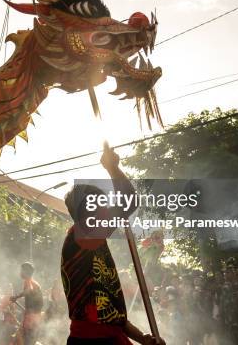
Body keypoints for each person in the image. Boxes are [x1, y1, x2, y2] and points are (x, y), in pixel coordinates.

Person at [60, 143, 165, 345]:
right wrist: (112, 169)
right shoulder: (80, 239)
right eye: (101, 204)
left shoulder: (94, 242)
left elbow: (115, 318)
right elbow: (129, 202)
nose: (109, 210)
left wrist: (144, 339)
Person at [10, 262, 44, 345]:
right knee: (27, 339)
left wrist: (16, 297)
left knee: (24, 340)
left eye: (21, 270)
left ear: (25, 271)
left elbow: (29, 290)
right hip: (35, 316)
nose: (20, 272)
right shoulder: (34, 282)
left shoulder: (28, 281)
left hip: (31, 317)